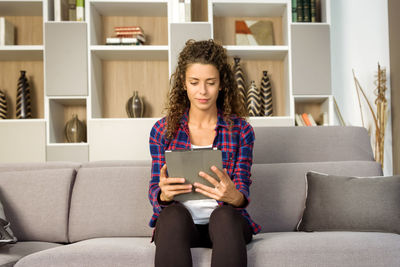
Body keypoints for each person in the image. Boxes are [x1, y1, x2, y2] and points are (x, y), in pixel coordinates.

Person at [148, 39, 261, 267]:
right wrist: (164, 196)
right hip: (182, 225)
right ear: (183, 83)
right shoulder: (162, 130)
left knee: (225, 216)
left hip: (225, 222)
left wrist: (233, 196)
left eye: (211, 82)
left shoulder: (241, 131)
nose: (203, 91)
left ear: (221, 84)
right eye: (194, 82)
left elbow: (242, 193)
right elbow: (154, 189)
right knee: (171, 216)